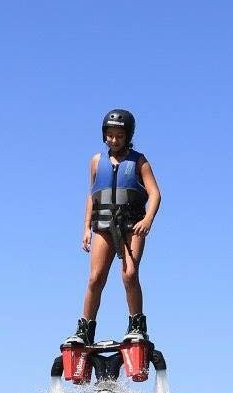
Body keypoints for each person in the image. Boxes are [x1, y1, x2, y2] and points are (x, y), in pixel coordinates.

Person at [64, 108, 161, 346]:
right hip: (103, 225)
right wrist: (86, 228)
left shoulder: (139, 161)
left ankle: (136, 324)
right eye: (110, 135)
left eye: (119, 135)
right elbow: (92, 195)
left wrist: (147, 220)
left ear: (128, 136)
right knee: (95, 278)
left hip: (131, 225)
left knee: (129, 274)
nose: (114, 140)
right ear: (104, 134)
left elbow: (155, 194)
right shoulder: (97, 161)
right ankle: (85, 328)